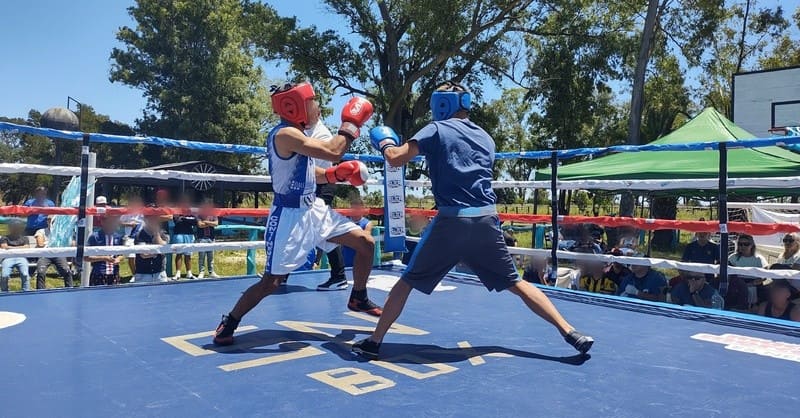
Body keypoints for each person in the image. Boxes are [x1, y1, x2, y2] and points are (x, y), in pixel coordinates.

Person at [351, 81, 593, 360]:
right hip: (486, 221)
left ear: (440, 104)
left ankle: (374, 341)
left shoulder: (436, 128)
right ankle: (569, 331)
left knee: (406, 281)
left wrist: (385, 142)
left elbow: (395, 159)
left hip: (453, 222)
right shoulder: (486, 137)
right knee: (515, 282)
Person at [213, 82, 382, 346]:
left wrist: (333, 175)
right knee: (272, 282)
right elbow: (334, 150)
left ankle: (358, 296)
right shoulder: (286, 135)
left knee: (365, 243)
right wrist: (351, 124)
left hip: (313, 209)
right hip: (289, 216)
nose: (317, 107)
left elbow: (306, 170)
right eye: (312, 101)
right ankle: (230, 321)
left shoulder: (300, 135)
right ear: (294, 106)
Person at [305, 111, 349, 291]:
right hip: (311, 186)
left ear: (318, 113)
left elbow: (307, 168)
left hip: (321, 186)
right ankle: (280, 274)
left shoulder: (321, 134)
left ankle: (339, 276)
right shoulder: (305, 131)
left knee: (324, 231)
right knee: (297, 229)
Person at [34, 215, 73, 289]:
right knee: (40, 272)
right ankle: (40, 291)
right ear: (47, 221)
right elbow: (40, 244)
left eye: (53, 220)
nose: (51, 222)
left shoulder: (61, 233)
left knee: (67, 271)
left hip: (58, 254)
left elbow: (69, 243)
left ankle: (70, 289)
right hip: (44, 254)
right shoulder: (41, 231)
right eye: (49, 220)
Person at [85, 215, 124, 286]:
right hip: (99, 273)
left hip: (114, 273)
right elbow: (86, 257)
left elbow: (121, 255)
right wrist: (104, 258)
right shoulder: (95, 237)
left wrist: (118, 259)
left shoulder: (118, 237)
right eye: (110, 222)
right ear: (103, 222)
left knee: (114, 295)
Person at [133, 209, 169, 283]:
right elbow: (144, 254)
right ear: (145, 220)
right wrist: (157, 252)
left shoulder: (164, 233)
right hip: (142, 274)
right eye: (150, 218)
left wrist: (156, 233)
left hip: (160, 273)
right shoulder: (139, 235)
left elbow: (163, 249)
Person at [341, 196, 373, 268]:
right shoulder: (344, 221)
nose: (355, 211)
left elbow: (365, 239)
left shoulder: (367, 223)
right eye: (353, 209)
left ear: (362, 209)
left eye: (357, 209)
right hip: (346, 257)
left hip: (360, 258)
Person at [0, 219, 31, 292]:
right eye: (13, 227)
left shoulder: (24, 238)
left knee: (25, 275)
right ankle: (5, 292)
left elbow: (27, 247)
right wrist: (20, 248)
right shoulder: (4, 237)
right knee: (4, 276)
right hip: (8, 258)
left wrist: (10, 248)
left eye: (16, 227)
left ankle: (26, 292)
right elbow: (4, 247)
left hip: (21, 258)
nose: (15, 228)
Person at [172, 195, 198, 280]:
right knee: (178, 253)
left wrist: (184, 218)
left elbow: (195, 221)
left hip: (189, 234)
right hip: (178, 234)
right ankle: (178, 273)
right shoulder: (176, 210)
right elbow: (177, 221)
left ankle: (189, 273)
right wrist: (187, 219)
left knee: (188, 254)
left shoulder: (191, 211)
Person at [120, 195, 145, 277]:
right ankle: (135, 275)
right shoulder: (127, 213)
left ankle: (141, 273)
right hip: (129, 237)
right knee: (131, 257)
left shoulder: (143, 213)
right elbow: (119, 222)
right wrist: (129, 224)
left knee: (142, 256)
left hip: (141, 237)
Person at [196, 199, 219, 279]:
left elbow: (216, 224)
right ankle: (201, 272)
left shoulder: (213, 214)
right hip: (201, 238)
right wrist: (210, 223)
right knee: (201, 256)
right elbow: (200, 225)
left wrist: (206, 222)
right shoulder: (199, 215)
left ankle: (211, 271)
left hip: (211, 238)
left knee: (211, 256)